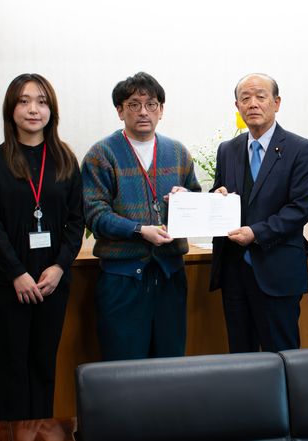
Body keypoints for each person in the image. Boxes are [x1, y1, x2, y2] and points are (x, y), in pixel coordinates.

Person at [0, 73, 83, 420]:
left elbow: (76, 222)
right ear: (11, 109)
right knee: (11, 366)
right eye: (24, 101)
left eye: (41, 101)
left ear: (51, 109)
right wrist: (17, 273)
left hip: (53, 282)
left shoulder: (65, 159)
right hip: (9, 283)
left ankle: (43, 432)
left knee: (43, 364)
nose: (33, 109)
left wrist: (59, 267)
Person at [81, 72, 200, 361]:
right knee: (123, 366)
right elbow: (94, 214)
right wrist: (139, 229)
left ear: (162, 110)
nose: (143, 111)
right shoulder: (102, 154)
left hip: (170, 274)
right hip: (123, 278)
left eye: (152, 104)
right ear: (120, 111)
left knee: (170, 361)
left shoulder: (178, 152)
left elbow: (196, 201)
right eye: (134, 104)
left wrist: (186, 199)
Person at [210, 73, 308, 353]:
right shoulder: (228, 150)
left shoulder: (301, 149)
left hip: (277, 270)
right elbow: (219, 195)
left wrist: (255, 233)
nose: (253, 103)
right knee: (241, 357)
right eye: (245, 98)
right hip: (234, 272)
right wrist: (214, 199)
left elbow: (300, 209)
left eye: (261, 96)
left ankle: (287, 400)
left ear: (277, 103)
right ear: (237, 106)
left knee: (282, 355)